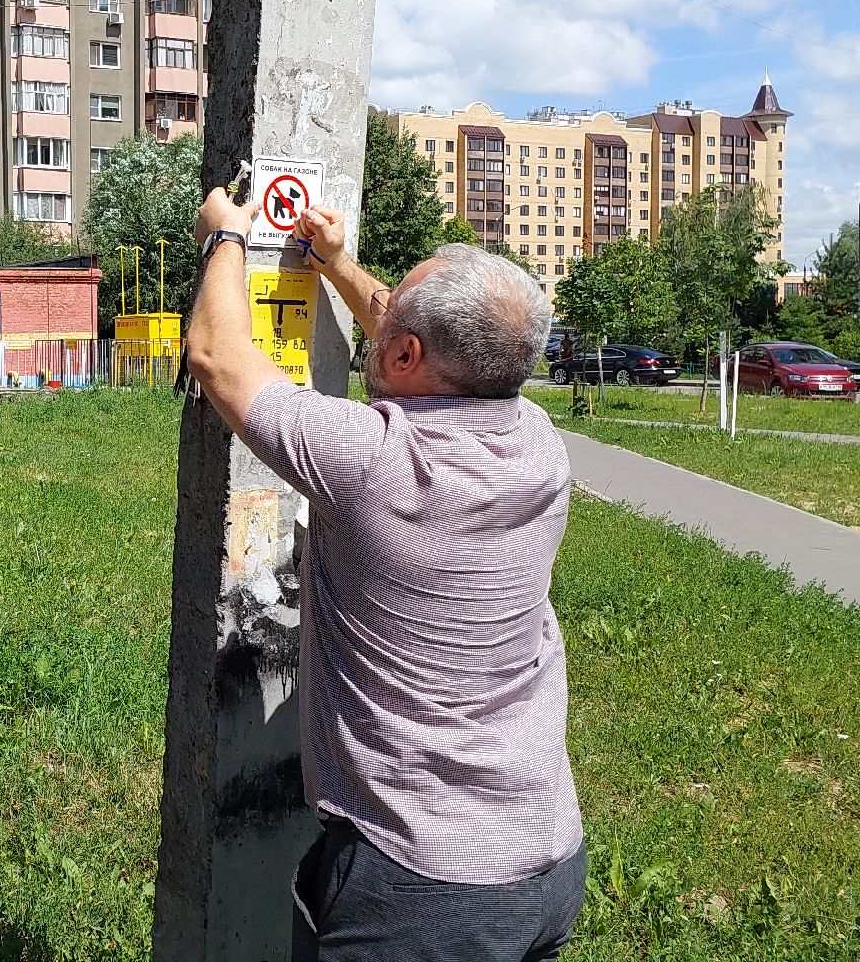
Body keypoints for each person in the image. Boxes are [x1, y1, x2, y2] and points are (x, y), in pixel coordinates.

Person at [186, 189, 584, 961]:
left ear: (405, 357)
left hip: (420, 889)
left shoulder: (370, 458)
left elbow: (218, 358)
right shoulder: (541, 444)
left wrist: (224, 237)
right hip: (547, 862)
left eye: (393, 317)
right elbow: (431, 349)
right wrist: (337, 264)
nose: (382, 312)